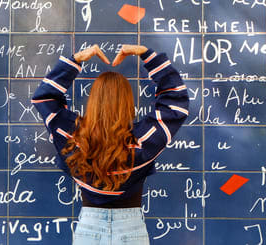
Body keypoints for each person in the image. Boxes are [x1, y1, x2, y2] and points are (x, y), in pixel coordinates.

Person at [31, 44, 190, 244]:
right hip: (131, 230)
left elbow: (44, 98)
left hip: (88, 229)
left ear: (93, 100)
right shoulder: (141, 142)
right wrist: (147, 55)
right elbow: (175, 103)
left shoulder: (74, 140)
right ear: (127, 102)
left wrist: (76, 60)